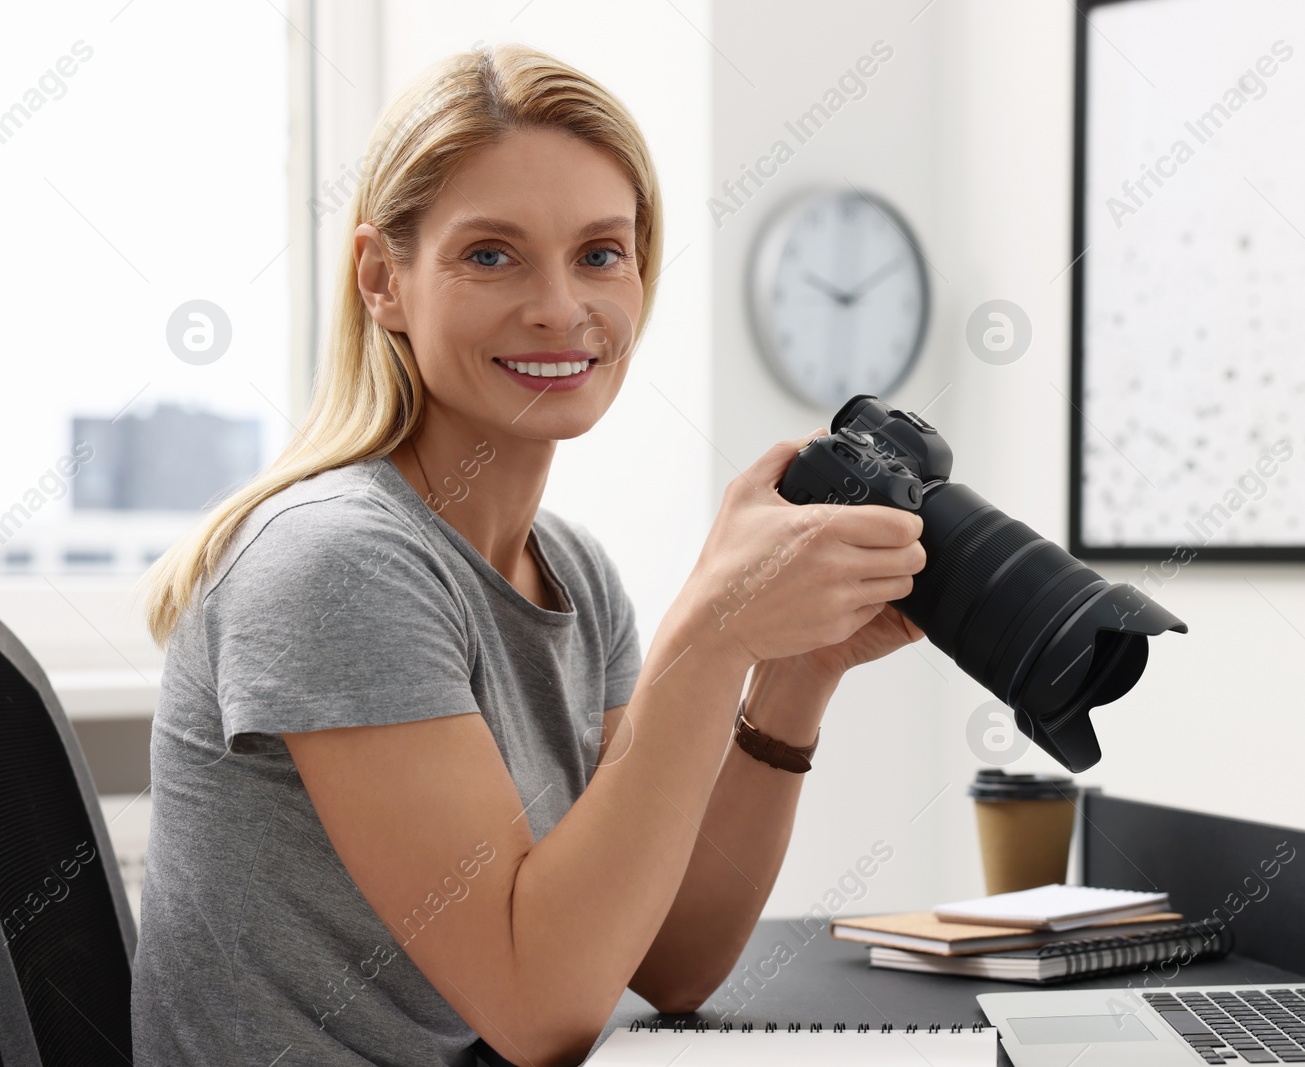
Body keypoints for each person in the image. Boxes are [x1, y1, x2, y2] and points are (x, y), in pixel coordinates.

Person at [131, 44, 925, 1067]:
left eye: (600, 253)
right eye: (492, 254)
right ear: (384, 280)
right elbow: (537, 1004)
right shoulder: (333, 561)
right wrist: (708, 630)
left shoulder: (573, 575)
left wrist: (790, 674)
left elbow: (671, 956)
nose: (560, 307)